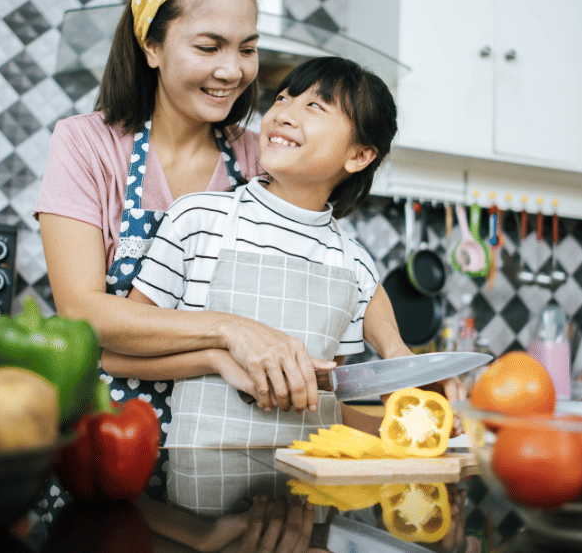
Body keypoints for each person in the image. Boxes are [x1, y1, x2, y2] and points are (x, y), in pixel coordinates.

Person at [34, 0, 439, 455]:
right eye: (209, 47)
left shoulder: (262, 156)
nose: (233, 71)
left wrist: (396, 351)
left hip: (233, 445)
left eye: (247, 49)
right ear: (151, 47)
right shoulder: (88, 144)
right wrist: (232, 332)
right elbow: (82, 315)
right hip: (109, 435)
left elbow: (345, 262)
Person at [105, 56, 405, 451]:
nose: (283, 113)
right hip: (198, 491)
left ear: (359, 156)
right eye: (282, 98)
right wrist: (219, 360)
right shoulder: (197, 219)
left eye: (314, 106)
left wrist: (401, 430)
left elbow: (321, 404)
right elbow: (116, 356)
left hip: (304, 496)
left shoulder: (353, 265)